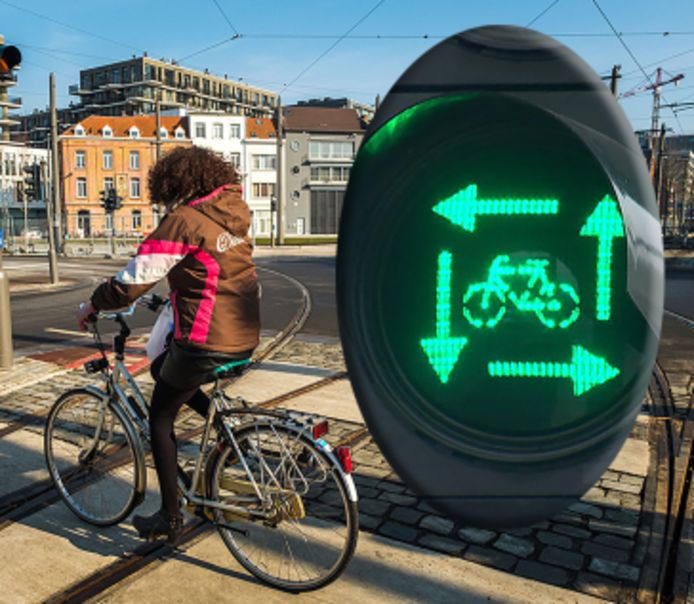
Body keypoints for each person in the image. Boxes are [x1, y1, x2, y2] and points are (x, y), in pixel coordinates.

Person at [76, 146, 260, 542]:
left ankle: (169, 516)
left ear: (174, 183)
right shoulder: (232, 213)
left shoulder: (184, 221)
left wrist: (92, 304)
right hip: (243, 335)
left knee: (159, 419)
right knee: (163, 369)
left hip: (205, 339)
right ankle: (227, 436)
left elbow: (131, 284)